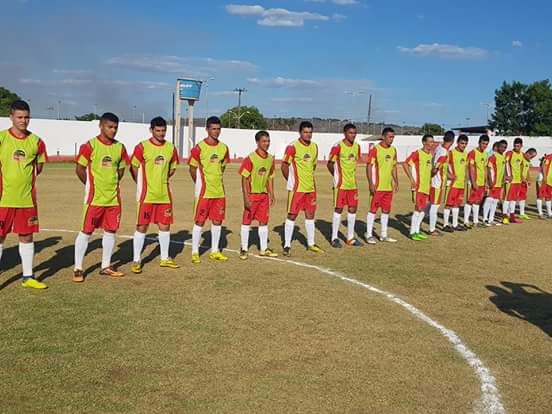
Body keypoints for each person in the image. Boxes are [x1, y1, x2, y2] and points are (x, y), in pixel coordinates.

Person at [73, 112, 129, 282]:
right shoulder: (89, 146)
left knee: (111, 230)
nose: (113, 130)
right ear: (101, 126)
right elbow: (80, 169)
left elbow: (121, 169)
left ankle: (106, 266)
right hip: (94, 199)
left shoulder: (120, 147)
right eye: (109, 127)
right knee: (86, 231)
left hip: (113, 199)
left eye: (115, 127)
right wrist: (91, 185)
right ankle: (78, 268)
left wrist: (112, 184)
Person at [0, 100, 48, 289]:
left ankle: (28, 276)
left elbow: (39, 167)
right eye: (19, 117)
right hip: (3, 199)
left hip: (27, 199)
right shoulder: (2, 138)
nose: (23, 121)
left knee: (27, 236)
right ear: (11, 117)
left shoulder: (36, 141)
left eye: (26, 117)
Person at [130, 117, 179, 273]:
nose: (161, 133)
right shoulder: (142, 147)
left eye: (163, 130)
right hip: (147, 196)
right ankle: (136, 259)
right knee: (142, 226)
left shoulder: (171, 148)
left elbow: (172, 168)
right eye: (157, 130)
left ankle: (164, 258)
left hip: (164, 195)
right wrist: (141, 184)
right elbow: (134, 166)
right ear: (151, 130)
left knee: (165, 226)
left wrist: (162, 179)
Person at [189, 116, 230, 264]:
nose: (216, 131)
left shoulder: (224, 148)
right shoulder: (199, 148)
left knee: (217, 221)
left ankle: (214, 251)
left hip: (219, 192)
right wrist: (200, 183)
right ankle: (194, 252)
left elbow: (223, 167)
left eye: (218, 129)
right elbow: (192, 168)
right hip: (204, 192)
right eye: (213, 128)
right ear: (207, 129)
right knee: (199, 222)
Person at [281, 121, 324, 256]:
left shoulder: (315, 147)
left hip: (310, 188)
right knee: (292, 215)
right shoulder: (292, 147)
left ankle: (311, 243)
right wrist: (292, 182)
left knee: (310, 215)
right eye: (305, 132)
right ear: (300, 132)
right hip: (296, 189)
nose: (308, 135)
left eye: (310, 132)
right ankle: (287, 244)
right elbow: (284, 166)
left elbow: (313, 167)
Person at [239, 131, 278, 260]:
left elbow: (270, 177)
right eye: (264, 141)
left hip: (263, 196)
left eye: (268, 141)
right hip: (252, 195)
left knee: (264, 221)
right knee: (246, 222)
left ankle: (263, 249)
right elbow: (244, 178)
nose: (267, 144)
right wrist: (246, 197)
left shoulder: (271, 159)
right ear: (257, 142)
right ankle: (244, 249)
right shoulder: (250, 158)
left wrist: (271, 193)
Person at [327, 123, 362, 248]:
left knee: (353, 209)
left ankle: (350, 237)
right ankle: (334, 238)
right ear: (345, 133)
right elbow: (329, 163)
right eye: (350, 133)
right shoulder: (337, 147)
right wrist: (336, 176)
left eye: (354, 133)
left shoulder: (357, 147)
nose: (353, 135)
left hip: (352, 185)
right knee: (338, 209)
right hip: (340, 185)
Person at [365, 127, 399, 244]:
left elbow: (394, 166)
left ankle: (383, 235)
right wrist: (371, 183)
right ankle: (369, 234)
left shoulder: (393, 150)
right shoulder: (375, 149)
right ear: (383, 136)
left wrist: (396, 181)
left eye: (393, 137)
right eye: (390, 137)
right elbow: (369, 166)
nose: (391, 139)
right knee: (373, 210)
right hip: (377, 187)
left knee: (386, 210)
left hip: (388, 187)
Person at [403, 134, 434, 241]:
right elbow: (405, 164)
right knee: (418, 209)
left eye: (432, 142)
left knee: (423, 210)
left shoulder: (430, 155)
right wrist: (412, 179)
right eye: (429, 142)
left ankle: (417, 230)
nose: (431, 144)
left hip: (426, 187)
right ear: (424, 142)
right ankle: (412, 232)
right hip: (418, 186)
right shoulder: (417, 153)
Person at [428, 131, 454, 236]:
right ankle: (432, 229)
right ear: (452, 141)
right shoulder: (444, 152)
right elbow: (436, 168)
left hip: (437, 182)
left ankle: (419, 219)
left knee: (432, 204)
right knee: (435, 206)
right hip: (437, 183)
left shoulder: (439, 148)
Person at [442, 134, 469, 232]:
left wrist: (466, 177)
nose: (464, 145)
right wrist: (449, 174)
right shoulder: (451, 153)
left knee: (457, 204)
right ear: (457, 143)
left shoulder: (466, 154)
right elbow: (443, 165)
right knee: (448, 204)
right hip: (452, 184)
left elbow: (465, 167)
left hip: (461, 184)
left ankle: (455, 224)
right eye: (462, 143)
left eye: (465, 144)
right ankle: (445, 225)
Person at [465, 135, 490, 228]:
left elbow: (485, 168)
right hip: (473, 182)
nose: (484, 146)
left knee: (477, 201)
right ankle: (466, 221)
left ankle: (475, 221)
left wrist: (486, 182)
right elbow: (470, 167)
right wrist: (473, 182)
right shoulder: (472, 153)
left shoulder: (486, 154)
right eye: (483, 143)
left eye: (486, 144)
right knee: (470, 201)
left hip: (482, 182)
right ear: (479, 142)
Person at [483, 140, 507, 226]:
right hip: (493, 182)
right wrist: (490, 181)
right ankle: (485, 219)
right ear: (498, 147)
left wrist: (504, 178)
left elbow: (503, 169)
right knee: (489, 199)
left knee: (495, 201)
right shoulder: (493, 157)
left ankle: (491, 219)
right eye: (501, 147)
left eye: (505, 147)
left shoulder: (503, 157)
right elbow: (488, 169)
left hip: (499, 183)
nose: (503, 148)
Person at [503, 137, 526, 224]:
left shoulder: (522, 154)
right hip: (510, 181)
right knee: (507, 198)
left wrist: (522, 176)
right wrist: (509, 175)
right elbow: (506, 163)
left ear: (521, 146)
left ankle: (512, 216)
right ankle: (505, 216)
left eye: (518, 146)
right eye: (515, 146)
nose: (516, 147)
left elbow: (522, 166)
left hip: (518, 181)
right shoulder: (509, 153)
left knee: (513, 199)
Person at [517, 148, 537, 220]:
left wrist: (529, 179)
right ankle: (508, 213)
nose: (531, 158)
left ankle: (522, 213)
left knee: (523, 196)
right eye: (531, 156)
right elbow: (519, 169)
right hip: (517, 181)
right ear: (528, 153)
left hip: (523, 181)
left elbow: (527, 170)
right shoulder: (520, 157)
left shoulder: (528, 160)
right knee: (513, 197)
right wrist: (522, 178)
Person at [536, 153, 552, 219]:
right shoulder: (549, 156)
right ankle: (540, 214)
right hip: (543, 179)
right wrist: (544, 177)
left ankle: (549, 213)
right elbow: (543, 165)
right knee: (540, 196)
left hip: (550, 181)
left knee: (549, 196)